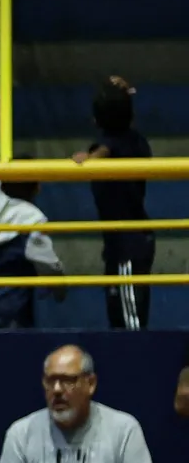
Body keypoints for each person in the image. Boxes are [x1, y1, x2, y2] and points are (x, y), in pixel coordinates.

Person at [0, 345, 158, 463]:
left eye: (67, 380)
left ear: (91, 383)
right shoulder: (20, 435)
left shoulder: (124, 431)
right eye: (50, 381)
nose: (57, 389)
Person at [73, 76, 153, 329]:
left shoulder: (110, 147)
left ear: (95, 120)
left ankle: (138, 364)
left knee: (131, 322)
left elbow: (97, 157)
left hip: (128, 245)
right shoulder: (136, 140)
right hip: (124, 242)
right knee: (119, 317)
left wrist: (85, 158)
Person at [0, 177, 64, 329]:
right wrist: (60, 287)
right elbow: (47, 262)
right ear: (35, 188)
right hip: (14, 305)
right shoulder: (33, 219)